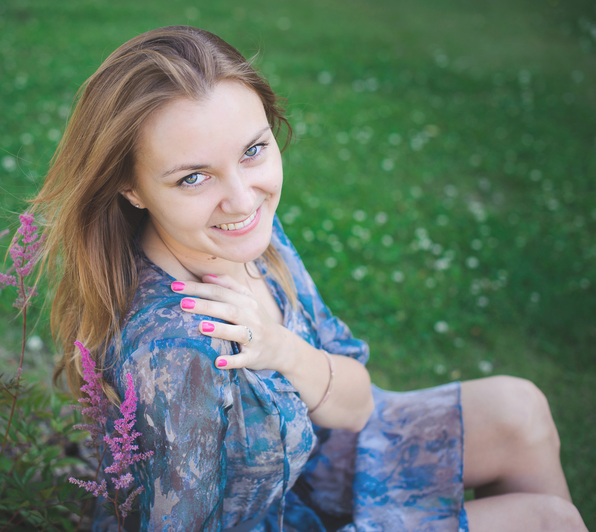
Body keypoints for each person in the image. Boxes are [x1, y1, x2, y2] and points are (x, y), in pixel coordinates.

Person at [32, 26, 587, 532]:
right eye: (194, 177)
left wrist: (281, 348)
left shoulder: (250, 237)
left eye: (253, 151)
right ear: (130, 187)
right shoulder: (176, 354)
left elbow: (359, 403)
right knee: (548, 522)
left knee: (521, 410)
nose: (243, 199)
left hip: (316, 469)